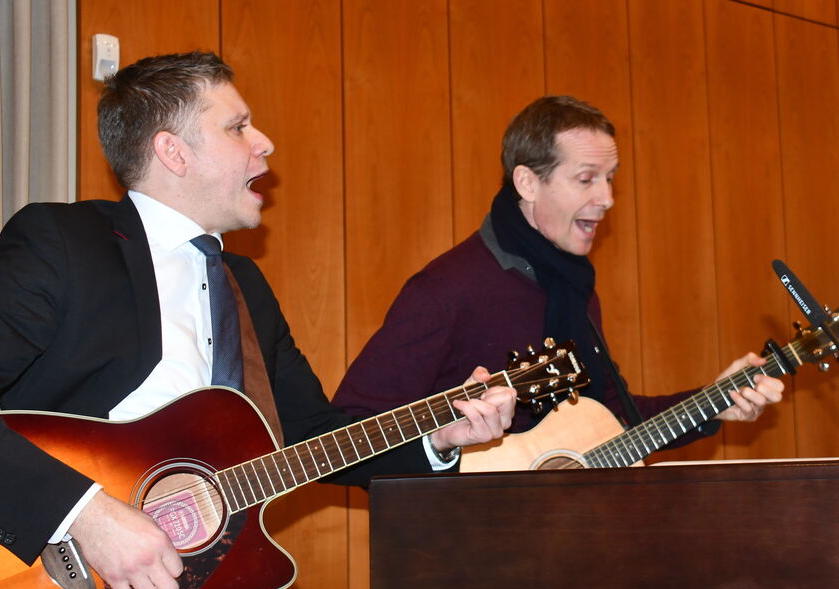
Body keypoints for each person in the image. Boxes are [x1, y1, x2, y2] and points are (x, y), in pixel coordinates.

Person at [0, 51, 515, 589]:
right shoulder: (64, 245)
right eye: (238, 127)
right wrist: (86, 516)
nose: (265, 144)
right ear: (174, 152)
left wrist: (437, 433)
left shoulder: (247, 287)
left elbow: (314, 437)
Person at [333, 95, 782, 457]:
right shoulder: (447, 289)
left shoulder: (571, 288)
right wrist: (441, 444)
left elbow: (611, 422)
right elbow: (348, 429)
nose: (607, 198)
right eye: (587, 179)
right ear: (528, 184)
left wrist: (714, 401)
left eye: (611, 178)